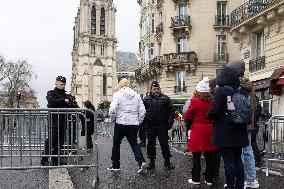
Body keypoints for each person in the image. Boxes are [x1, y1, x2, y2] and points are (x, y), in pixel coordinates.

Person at [207, 67, 249, 189]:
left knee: (228, 161)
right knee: (238, 160)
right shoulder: (241, 91)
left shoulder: (221, 91)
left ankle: (231, 185)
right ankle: (240, 185)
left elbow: (214, 110)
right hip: (239, 130)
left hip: (225, 132)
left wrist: (208, 115)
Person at [226, 60, 260, 188]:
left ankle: (241, 180)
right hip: (249, 123)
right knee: (248, 151)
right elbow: (255, 104)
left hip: (239, 123)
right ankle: (251, 179)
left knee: (240, 153)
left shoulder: (236, 86)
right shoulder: (250, 85)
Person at [108, 78, 147, 173]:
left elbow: (112, 109)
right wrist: (138, 121)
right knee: (134, 144)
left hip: (121, 122)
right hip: (133, 124)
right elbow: (143, 111)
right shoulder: (136, 95)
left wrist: (113, 118)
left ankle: (116, 165)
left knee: (116, 144)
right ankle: (141, 162)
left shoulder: (118, 94)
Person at [184, 77, 217, 186]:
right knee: (209, 157)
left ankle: (196, 179)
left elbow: (187, 115)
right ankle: (209, 179)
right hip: (210, 130)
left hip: (198, 131)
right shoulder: (212, 102)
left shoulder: (195, 101)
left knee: (196, 157)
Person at [143, 81, 175, 170]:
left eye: (157, 89)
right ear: (151, 89)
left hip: (162, 125)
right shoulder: (146, 99)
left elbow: (172, 111)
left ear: (159, 89)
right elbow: (142, 112)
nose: (156, 90)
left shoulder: (165, 98)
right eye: (154, 89)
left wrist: (169, 123)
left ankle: (167, 162)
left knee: (164, 144)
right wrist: (145, 124)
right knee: (151, 145)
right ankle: (151, 163)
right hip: (151, 126)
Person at [41, 76, 70, 166]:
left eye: (64, 84)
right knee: (52, 139)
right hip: (54, 120)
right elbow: (51, 101)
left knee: (60, 140)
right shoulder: (51, 92)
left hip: (62, 120)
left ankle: (56, 159)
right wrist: (63, 100)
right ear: (56, 83)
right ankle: (44, 159)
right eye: (61, 84)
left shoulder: (66, 95)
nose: (63, 86)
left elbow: (70, 105)